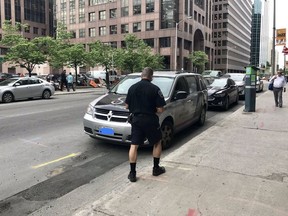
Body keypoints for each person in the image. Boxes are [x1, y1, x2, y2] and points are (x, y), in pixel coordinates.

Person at [125, 67, 166, 182]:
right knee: (157, 142)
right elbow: (161, 109)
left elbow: (126, 106)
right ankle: (156, 168)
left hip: (136, 120)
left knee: (134, 145)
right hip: (150, 120)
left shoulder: (132, 88)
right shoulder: (155, 89)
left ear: (141, 75)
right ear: (151, 77)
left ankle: (132, 174)